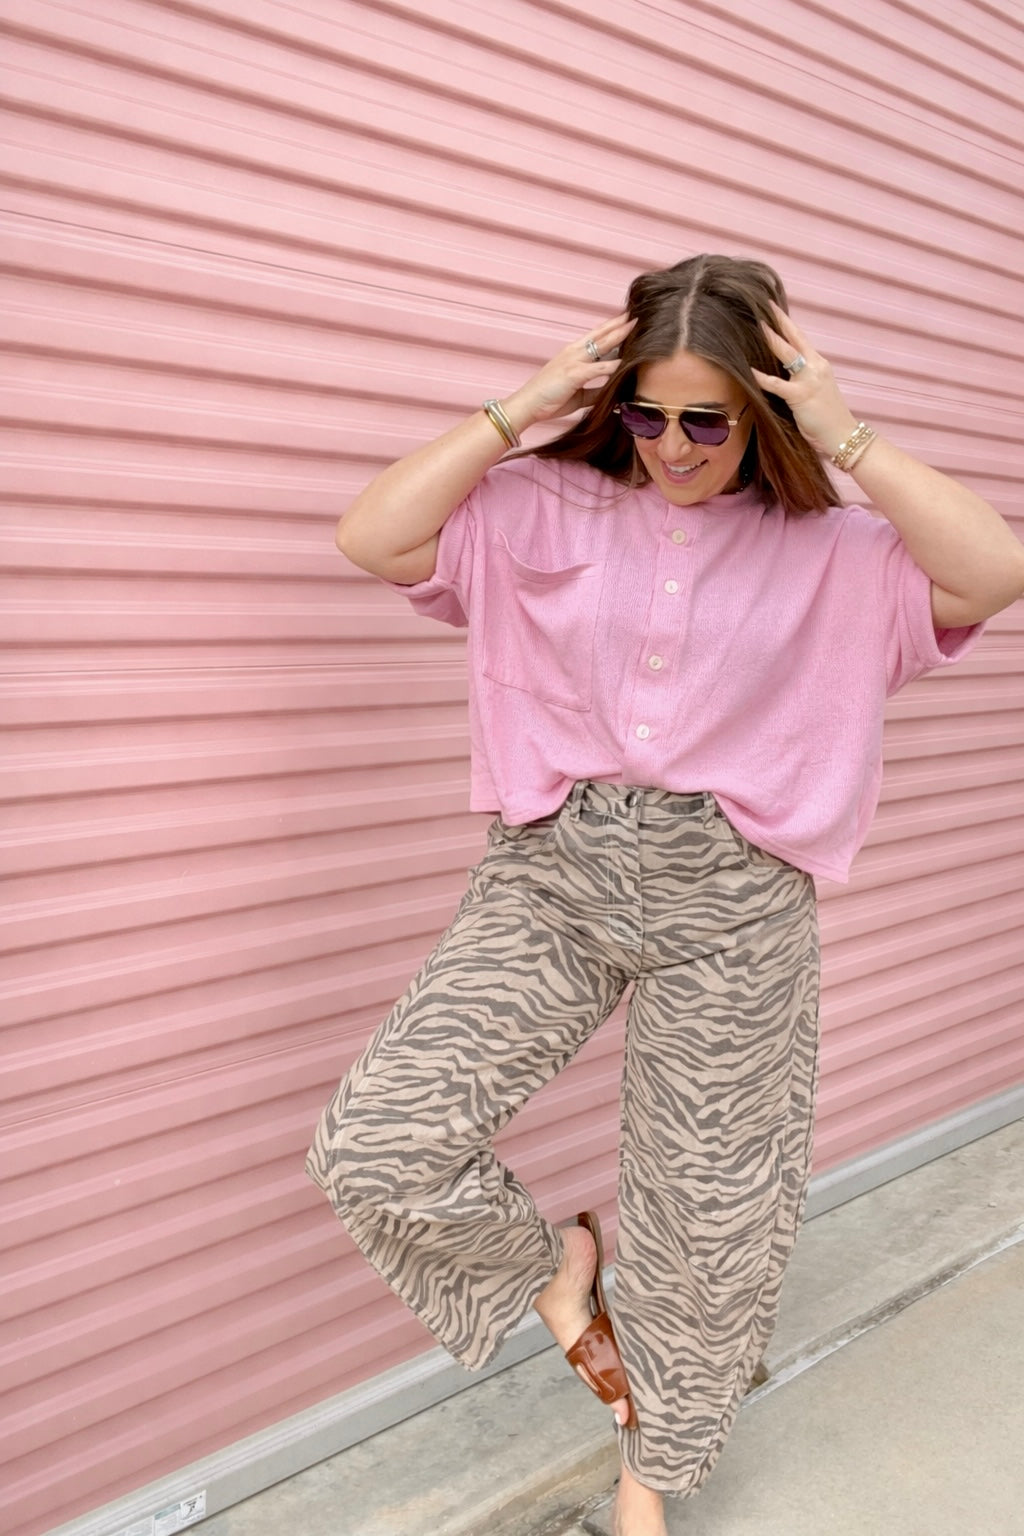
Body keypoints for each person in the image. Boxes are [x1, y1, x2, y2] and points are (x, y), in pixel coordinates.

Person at [307, 254, 1024, 1536]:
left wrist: (846, 434)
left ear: (764, 412)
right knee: (380, 1141)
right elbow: (374, 536)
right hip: (553, 874)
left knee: (703, 1221)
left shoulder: (835, 549)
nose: (674, 445)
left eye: (709, 419)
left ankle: (652, 1471)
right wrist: (521, 407)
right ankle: (557, 1269)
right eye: (646, 413)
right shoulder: (540, 507)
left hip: (734, 903)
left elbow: (992, 573)